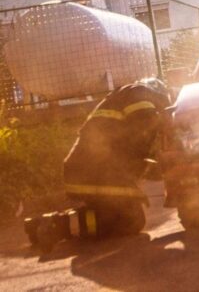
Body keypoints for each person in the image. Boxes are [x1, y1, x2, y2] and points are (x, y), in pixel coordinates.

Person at [23, 78, 172, 253]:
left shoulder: (123, 96)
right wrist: (152, 162)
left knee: (106, 210)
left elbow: (124, 143)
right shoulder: (142, 96)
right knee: (130, 220)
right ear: (161, 96)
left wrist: (145, 165)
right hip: (98, 173)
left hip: (81, 171)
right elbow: (141, 135)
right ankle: (59, 227)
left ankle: (39, 226)